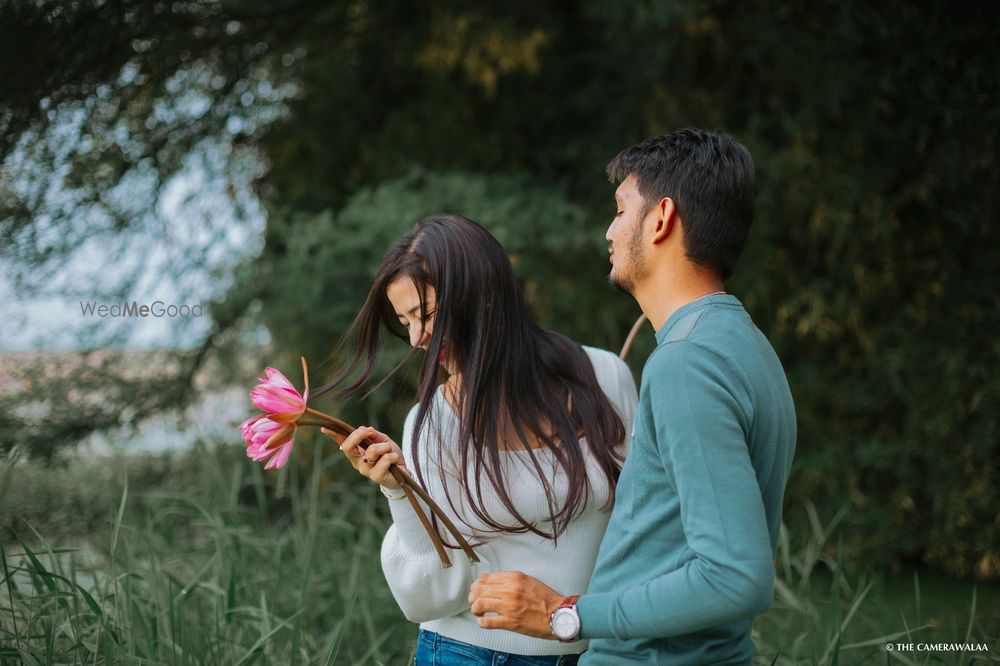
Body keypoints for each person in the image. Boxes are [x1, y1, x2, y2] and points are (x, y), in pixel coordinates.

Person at [468, 129, 797, 664]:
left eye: (621, 209)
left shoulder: (687, 361)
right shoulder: (747, 347)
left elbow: (737, 578)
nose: (610, 231)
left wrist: (567, 615)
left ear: (662, 218)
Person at [320, 214, 638, 665]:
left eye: (426, 314)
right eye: (405, 321)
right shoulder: (433, 425)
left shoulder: (604, 379)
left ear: (482, 294)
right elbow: (423, 596)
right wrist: (399, 491)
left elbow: (644, 521)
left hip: (594, 652)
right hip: (469, 652)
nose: (416, 337)